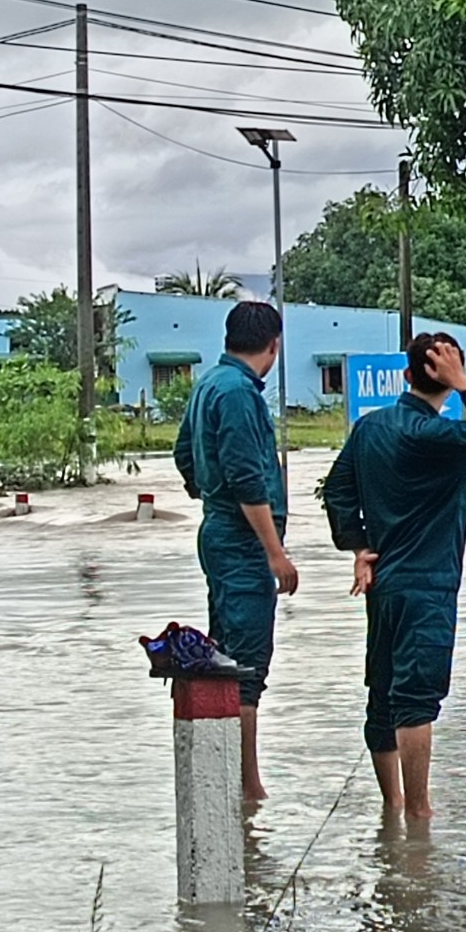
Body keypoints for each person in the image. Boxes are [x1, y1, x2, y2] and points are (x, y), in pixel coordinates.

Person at [323, 332, 466, 821]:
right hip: (428, 587)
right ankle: (418, 813)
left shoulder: (370, 429)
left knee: (383, 694)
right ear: (443, 379)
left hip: (384, 583)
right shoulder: (438, 438)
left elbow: (337, 490)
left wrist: (358, 545)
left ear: (407, 376)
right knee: (416, 699)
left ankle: (391, 807)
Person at [174, 299, 299, 803]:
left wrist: (204, 488)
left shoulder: (207, 384)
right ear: (274, 345)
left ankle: (227, 782)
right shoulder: (240, 395)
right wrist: (275, 553)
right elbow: (249, 479)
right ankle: (248, 787)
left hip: (217, 532)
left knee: (224, 656)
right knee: (247, 666)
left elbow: (184, 453)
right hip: (243, 541)